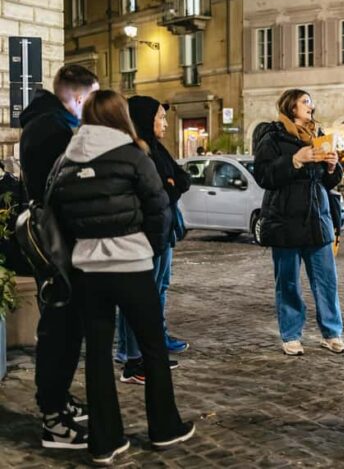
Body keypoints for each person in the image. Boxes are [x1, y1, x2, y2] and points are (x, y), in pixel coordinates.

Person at [49, 90, 194, 465]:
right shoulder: (133, 154)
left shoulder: (65, 160)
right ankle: (164, 428)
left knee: (97, 356)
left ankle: (104, 441)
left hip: (87, 270)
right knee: (152, 348)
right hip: (131, 264)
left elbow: (54, 213)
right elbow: (159, 207)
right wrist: (148, 244)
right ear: (120, 117)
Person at [18, 64, 99, 449]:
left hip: (61, 243)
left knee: (67, 328)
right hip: (58, 246)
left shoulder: (48, 123)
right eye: (93, 98)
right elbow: (60, 190)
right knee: (59, 330)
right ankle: (53, 418)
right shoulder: (52, 129)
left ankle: (58, 400)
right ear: (81, 97)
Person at [253, 89, 344, 356]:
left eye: (311, 102)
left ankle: (332, 333)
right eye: (305, 101)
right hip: (284, 219)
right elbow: (264, 175)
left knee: (326, 280)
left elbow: (328, 183)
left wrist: (332, 167)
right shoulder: (272, 136)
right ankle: (291, 334)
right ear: (290, 106)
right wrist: (295, 160)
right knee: (288, 282)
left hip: (317, 218)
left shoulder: (318, 135)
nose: (310, 105)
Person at [115, 96, 192, 384]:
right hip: (146, 234)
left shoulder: (156, 149)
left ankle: (149, 347)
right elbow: (155, 194)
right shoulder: (137, 151)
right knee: (138, 296)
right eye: (160, 117)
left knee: (157, 289)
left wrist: (169, 186)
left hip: (163, 231)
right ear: (145, 118)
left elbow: (181, 179)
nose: (165, 122)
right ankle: (131, 354)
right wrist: (168, 188)